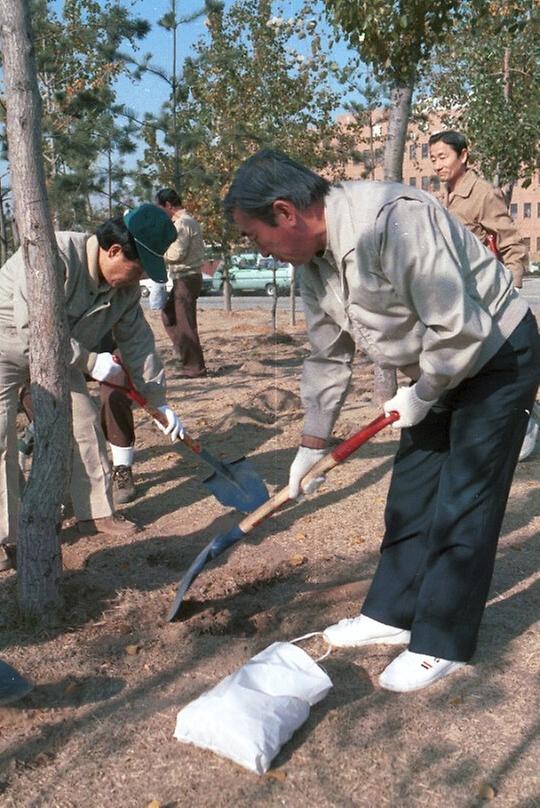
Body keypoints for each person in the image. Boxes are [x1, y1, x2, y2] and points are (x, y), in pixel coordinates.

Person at [224, 149, 539, 693]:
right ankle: (390, 613)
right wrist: (310, 444)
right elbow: (326, 355)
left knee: (466, 496)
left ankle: (441, 641)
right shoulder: (314, 262)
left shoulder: (394, 219)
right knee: (412, 493)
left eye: (256, 238)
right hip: (435, 367)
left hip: (494, 354)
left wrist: (423, 394)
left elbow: (459, 328)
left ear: (285, 212)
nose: (262, 253)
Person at [0, 204, 184, 572]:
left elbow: (137, 342)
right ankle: (5, 535)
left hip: (61, 358)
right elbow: (33, 327)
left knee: (84, 424)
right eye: (138, 269)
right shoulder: (52, 253)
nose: (138, 279)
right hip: (5, 346)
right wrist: (91, 362)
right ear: (113, 250)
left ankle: (95, 513)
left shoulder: (124, 290)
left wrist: (158, 400)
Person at [429, 130, 537, 460]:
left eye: (442, 157)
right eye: (432, 159)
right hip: (450, 297)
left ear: (463, 156)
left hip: (483, 296)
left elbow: (511, 241)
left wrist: (511, 287)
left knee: (491, 364)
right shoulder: (441, 196)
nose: (436, 165)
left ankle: (525, 425)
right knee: (463, 369)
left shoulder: (482, 193)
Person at [155, 188, 207, 378]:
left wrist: (159, 251)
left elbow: (177, 254)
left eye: (161, 209)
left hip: (186, 277)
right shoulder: (182, 223)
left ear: (169, 205)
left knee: (185, 325)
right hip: (183, 278)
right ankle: (184, 356)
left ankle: (194, 368)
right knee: (169, 315)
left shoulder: (182, 223)